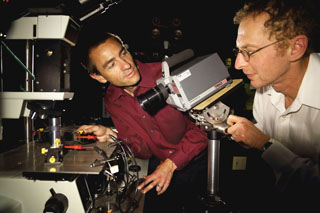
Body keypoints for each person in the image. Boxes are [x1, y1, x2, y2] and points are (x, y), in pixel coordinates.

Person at [76, 32, 209, 213]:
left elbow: (203, 130)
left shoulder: (168, 73)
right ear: (99, 76)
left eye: (123, 53)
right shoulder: (112, 99)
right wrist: (112, 135)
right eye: (111, 64)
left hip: (199, 161)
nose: (126, 64)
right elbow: (143, 150)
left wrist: (171, 164)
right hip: (161, 164)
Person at [225, 0, 320, 211]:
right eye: (238, 50)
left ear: (295, 48)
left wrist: (265, 144)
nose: (239, 63)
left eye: (249, 51)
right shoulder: (264, 88)